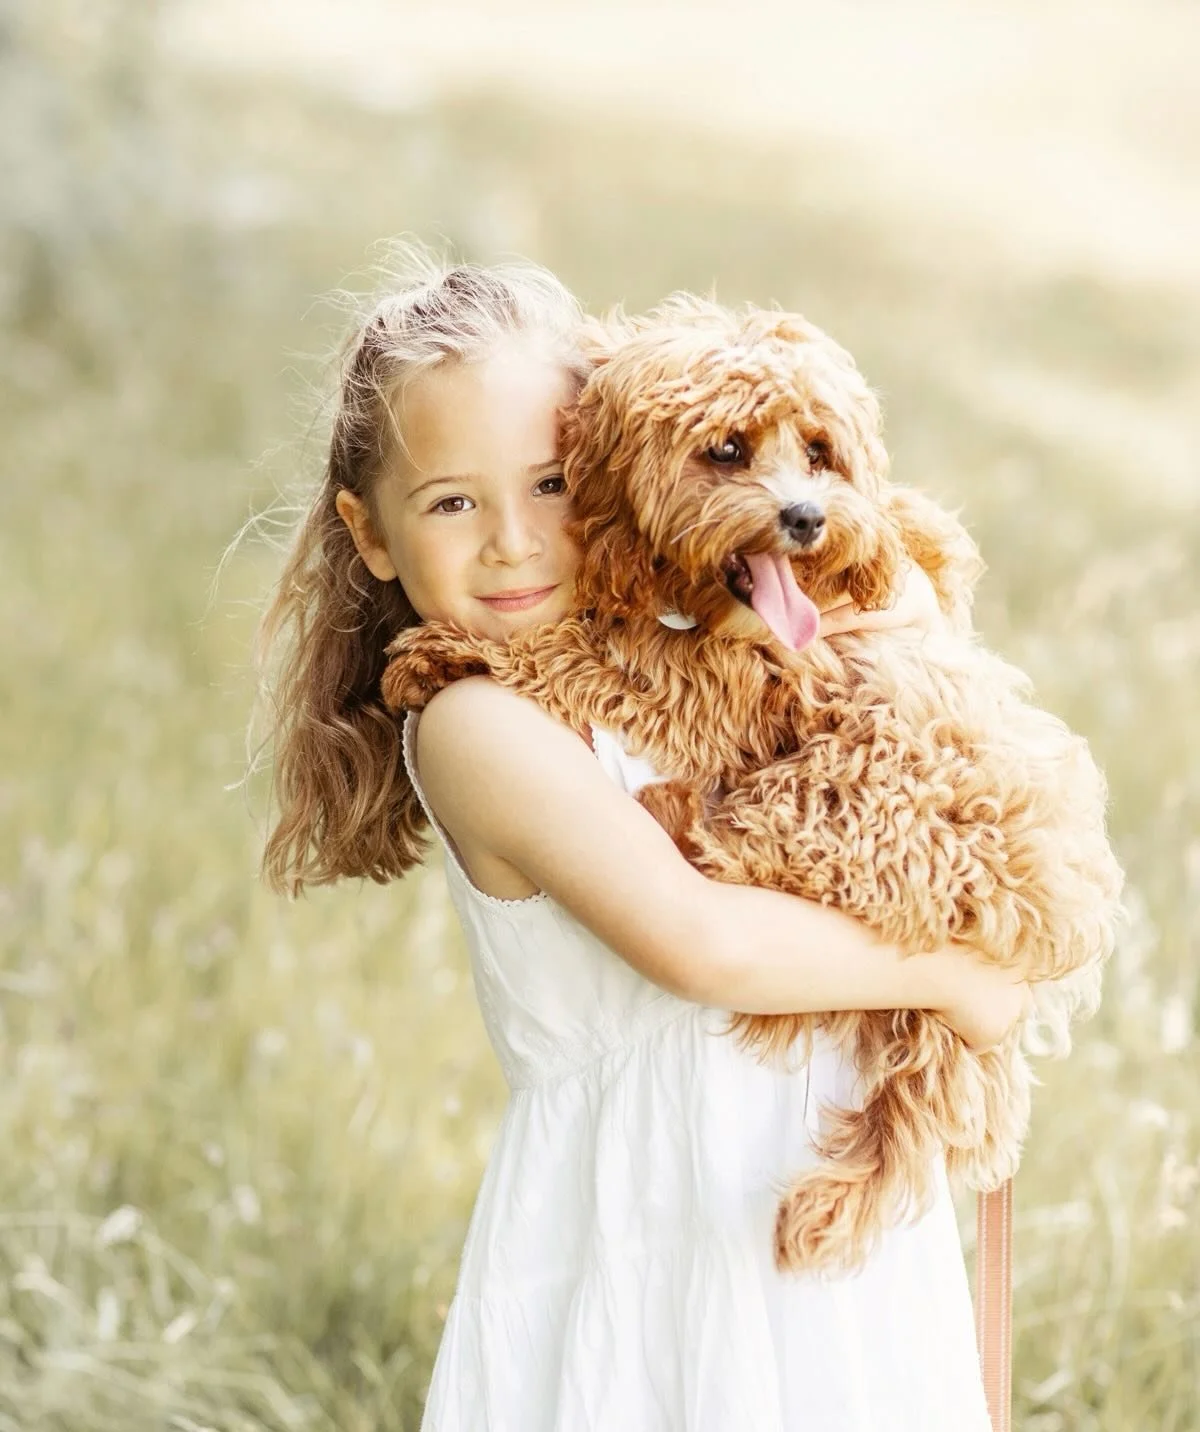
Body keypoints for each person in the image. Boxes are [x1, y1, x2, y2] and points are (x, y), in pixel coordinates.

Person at [257, 247, 1027, 1430]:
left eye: (554, 484)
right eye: (453, 501)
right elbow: (701, 944)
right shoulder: (476, 723)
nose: (513, 540)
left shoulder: (682, 634)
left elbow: (898, 613)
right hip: (648, 1230)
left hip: (814, 1204)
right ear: (372, 536)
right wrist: (958, 975)